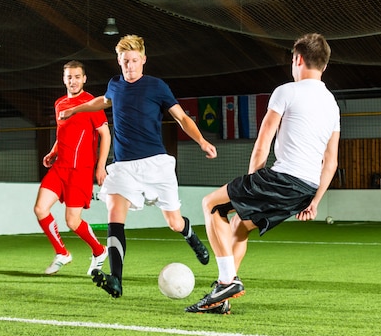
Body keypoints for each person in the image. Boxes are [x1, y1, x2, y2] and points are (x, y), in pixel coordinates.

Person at [185, 33, 340, 314]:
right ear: (325, 66)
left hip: (282, 179)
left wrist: (251, 180)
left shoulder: (286, 91)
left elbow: (264, 139)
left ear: (298, 59)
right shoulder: (332, 104)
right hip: (306, 190)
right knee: (239, 226)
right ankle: (223, 299)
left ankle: (225, 282)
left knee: (211, 204)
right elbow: (331, 161)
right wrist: (315, 201)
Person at [60, 35, 217, 298]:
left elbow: (181, 118)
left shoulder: (157, 87)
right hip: (123, 167)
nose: (129, 66)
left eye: (134, 61)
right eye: (124, 62)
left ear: (143, 60)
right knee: (114, 215)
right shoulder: (115, 85)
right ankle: (116, 279)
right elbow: (103, 100)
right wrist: (75, 110)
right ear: (118, 62)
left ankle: (190, 236)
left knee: (174, 222)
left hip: (156, 165)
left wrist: (201, 140)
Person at [34, 60, 111, 275]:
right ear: (63, 78)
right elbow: (63, 134)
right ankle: (62, 253)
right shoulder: (59, 103)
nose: (73, 80)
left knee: (72, 221)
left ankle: (99, 251)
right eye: (69, 76)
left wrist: (100, 167)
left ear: (84, 79)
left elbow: (105, 135)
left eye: (77, 76)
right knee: (40, 209)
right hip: (60, 167)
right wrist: (53, 151)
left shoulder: (92, 103)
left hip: (81, 170)